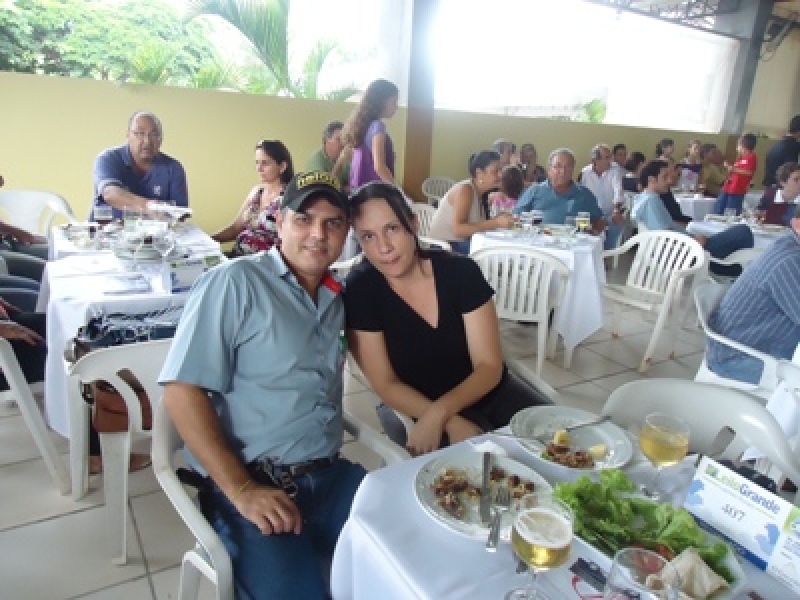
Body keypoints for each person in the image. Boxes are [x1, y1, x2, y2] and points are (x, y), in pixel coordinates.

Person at [159, 171, 360, 598]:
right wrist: (242, 489)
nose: (318, 234)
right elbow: (181, 392)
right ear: (280, 222)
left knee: (408, 563)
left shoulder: (335, 297)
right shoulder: (235, 283)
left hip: (332, 477)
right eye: (304, 219)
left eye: (333, 223)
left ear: (346, 232)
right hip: (256, 482)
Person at [344, 182, 553, 455]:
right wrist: (447, 421)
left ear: (413, 224)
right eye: (368, 236)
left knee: (563, 446)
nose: (383, 247)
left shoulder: (460, 272)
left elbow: (489, 365)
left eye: (392, 228)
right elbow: (386, 383)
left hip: (485, 391)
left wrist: (440, 413)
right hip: (413, 405)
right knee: (473, 475)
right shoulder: (361, 290)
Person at [706, 216, 800, 385]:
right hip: (740, 358)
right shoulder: (789, 260)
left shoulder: (790, 245)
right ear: (797, 224)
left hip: (758, 346)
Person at [632, 160, 753, 277]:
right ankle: (729, 269)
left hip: (686, 246)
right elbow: (665, 235)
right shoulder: (651, 201)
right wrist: (693, 241)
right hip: (685, 251)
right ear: (651, 180)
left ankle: (733, 270)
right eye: (665, 177)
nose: (669, 180)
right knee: (743, 232)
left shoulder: (644, 199)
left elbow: (667, 227)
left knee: (736, 243)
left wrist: (693, 237)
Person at [92, 111, 188, 221]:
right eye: (140, 133)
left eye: (154, 135)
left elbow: (179, 214)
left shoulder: (173, 168)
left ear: (161, 139)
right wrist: (148, 206)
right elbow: (110, 194)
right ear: (128, 135)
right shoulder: (108, 158)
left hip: (155, 231)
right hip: (106, 229)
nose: (147, 141)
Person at [212, 140, 293, 257]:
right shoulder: (256, 191)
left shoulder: (290, 197)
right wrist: (208, 240)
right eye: (257, 163)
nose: (259, 168)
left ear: (282, 166)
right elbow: (235, 228)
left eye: (265, 163)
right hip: (238, 256)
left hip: (265, 263)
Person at [427, 150, 514, 254]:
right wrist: (496, 222)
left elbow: (476, 225)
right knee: (498, 253)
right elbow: (458, 230)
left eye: (501, 170)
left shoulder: (482, 193)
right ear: (479, 174)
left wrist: (497, 220)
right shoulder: (465, 190)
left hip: (461, 244)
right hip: (445, 248)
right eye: (495, 171)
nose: (500, 175)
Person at [513, 148, 607, 234]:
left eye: (568, 166)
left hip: (573, 243)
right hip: (539, 241)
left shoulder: (584, 194)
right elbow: (516, 216)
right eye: (557, 166)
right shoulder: (535, 190)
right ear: (549, 170)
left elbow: (600, 221)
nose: (563, 171)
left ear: (573, 169)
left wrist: (593, 232)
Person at [342, 79, 398, 187]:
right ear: (381, 102)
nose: (396, 107)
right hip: (373, 190)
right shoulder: (378, 126)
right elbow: (379, 166)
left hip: (358, 188)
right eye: (394, 102)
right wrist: (396, 190)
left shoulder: (361, 125)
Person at [580, 144, 624, 250]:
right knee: (582, 226)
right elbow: (581, 194)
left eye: (610, 157)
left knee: (617, 223)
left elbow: (618, 191)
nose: (611, 160)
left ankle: (607, 253)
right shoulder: (585, 173)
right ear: (595, 160)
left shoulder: (615, 169)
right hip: (592, 213)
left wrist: (617, 210)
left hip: (610, 212)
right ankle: (589, 251)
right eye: (607, 158)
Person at [714, 133, 758, 216]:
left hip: (737, 189)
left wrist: (732, 169)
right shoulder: (740, 158)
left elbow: (749, 172)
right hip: (728, 187)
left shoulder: (751, 157)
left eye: (738, 144)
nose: (737, 147)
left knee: (731, 212)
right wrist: (729, 168)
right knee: (719, 208)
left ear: (743, 145)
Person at [305, 120, 352, 191]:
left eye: (345, 139)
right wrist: (340, 161)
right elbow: (323, 190)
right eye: (339, 139)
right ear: (326, 141)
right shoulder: (315, 160)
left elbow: (353, 184)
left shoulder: (347, 158)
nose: (343, 143)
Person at [763, 115, 800, 188]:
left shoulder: (779, 143)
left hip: (770, 186)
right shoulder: (792, 147)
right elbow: (792, 171)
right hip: (781, 188)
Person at [660, 159, 692, 226]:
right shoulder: (660, 195)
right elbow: (669, 222)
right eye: (674, 170)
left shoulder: (667, 192)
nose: (677, 173)